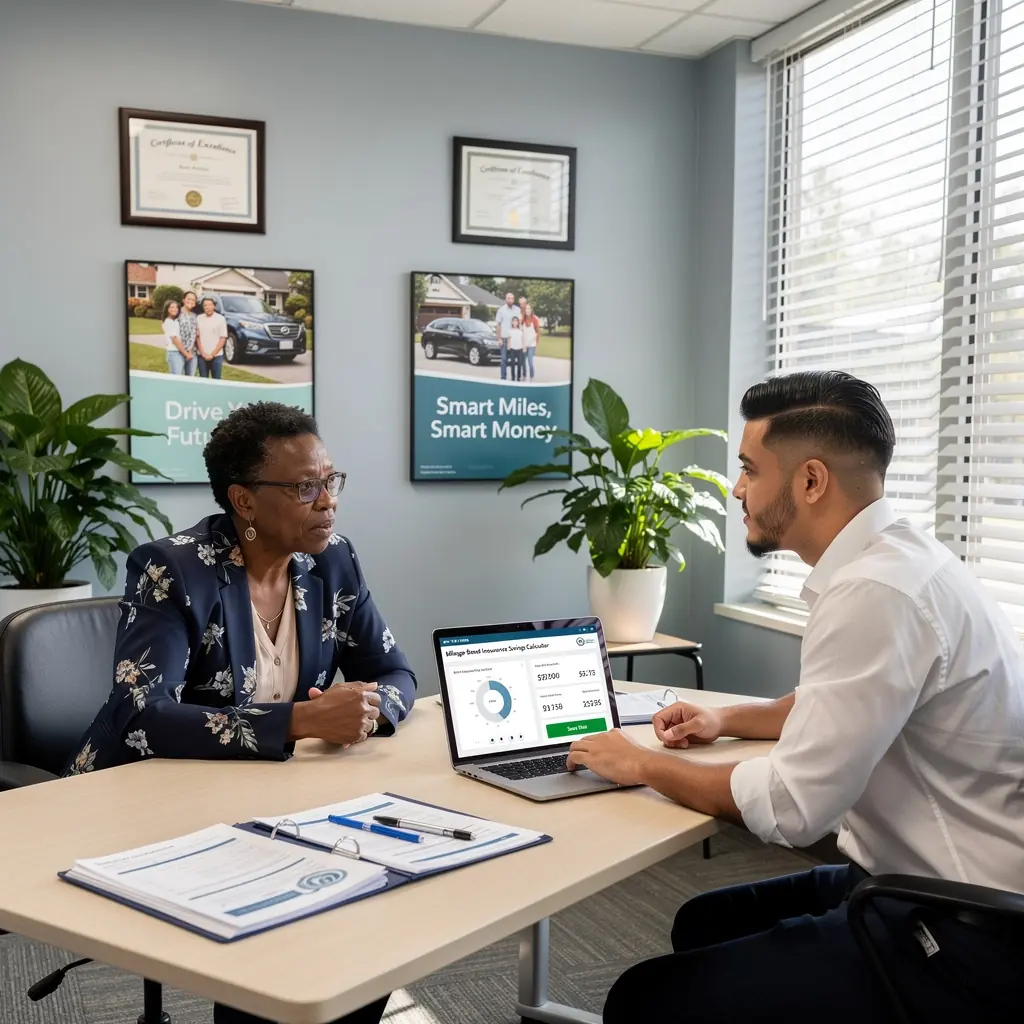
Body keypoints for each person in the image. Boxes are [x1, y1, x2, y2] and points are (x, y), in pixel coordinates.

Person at [565, 370, 1024, 1024]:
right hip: (936, 884)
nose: (736, 489)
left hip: (962, 931)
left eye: (750, 470)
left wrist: (640, 763)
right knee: (705, 919)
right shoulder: (906, 562)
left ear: (810, 481)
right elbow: (838, 701)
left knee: (644, 1002)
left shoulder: (877, 594)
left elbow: (791, 809)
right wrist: (724, 716)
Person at [64, 402, 414, 1024]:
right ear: (244, 501)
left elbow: (396, 672)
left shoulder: (333, 562)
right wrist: (300, 722)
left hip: (271, 800)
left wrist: (364, 709)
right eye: (305, 486)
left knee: (368, 917)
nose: (327, 501)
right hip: (147, 801)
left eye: (330, 481)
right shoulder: (173, 570)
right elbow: (141, 714)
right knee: (290, 934)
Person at [196, 295, 228, 379]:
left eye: (210, 305)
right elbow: (197, 337)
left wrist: (212, 354)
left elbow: (223, 338)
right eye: (205, 305)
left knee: (216, 380)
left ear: (214, 306)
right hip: (202, 355)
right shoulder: (199, 318)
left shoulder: (221, 319)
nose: (208, 307)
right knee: (203, 379)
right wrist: (203, 353)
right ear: (203, 307)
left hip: (217, 356)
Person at [494, 292, 520, 381]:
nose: (510, 300)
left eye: (512, 298)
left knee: (514, 360)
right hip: (504, 338)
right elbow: (498, 325)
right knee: (504, 360)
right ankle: (503, 378)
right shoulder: (501, 310)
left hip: (514, 339)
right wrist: (499, 339)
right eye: (508, 298)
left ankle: (514, 379)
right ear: (506, 299)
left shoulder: (517, 310)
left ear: (514, 299)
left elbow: (519, 324)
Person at [161, 299, 191, 375]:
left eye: (176, 307)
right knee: (176, 378)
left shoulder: (175, 321)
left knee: (179, 376)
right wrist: (186, 354)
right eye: (172, 307)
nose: (175, 309)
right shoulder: (168, 322)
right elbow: (175, 339)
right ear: (167, 309)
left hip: (178, 352)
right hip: (174, 353)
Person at [177, 289, 199, 376]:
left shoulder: (195, 316)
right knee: (178, 378)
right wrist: (184, 352)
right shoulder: (177, 313)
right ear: (183, 300)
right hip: (178, 351)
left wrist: (189, 351)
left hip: (192, 352)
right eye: (188, 299)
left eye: (193, 300)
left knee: (190, 378)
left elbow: (194, 335)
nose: (191, 301)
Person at [521, 302, 540, 380]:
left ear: (531, 310)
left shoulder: (535, 319)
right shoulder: (522, 319)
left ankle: (532, 376)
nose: (527, 310)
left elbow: (537, 333)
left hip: (531, 344)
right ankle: (524, 375)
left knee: (530, 361)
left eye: (529, 308)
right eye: (526, 309)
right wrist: (523, 344)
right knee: (523, 361)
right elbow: (521, 332)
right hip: (524, 344)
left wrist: (536, 344)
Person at [507, 315, 524, 382]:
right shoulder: (510, 331)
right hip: (512, 349)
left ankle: (518, 377)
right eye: (514, 321)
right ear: (512, 322)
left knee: (519, 363)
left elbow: (522, 339)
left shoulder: (520, 331)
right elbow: (508, 339)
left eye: (516, 321)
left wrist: (523, 347)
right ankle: (513, 377)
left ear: (518, 323)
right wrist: (508, 346)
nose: (515, 322)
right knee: (512, 363)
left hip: (519, 349)